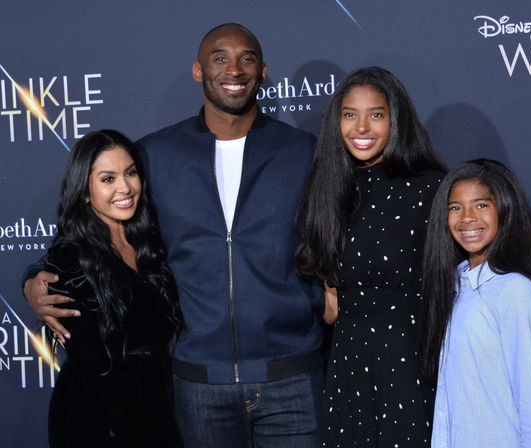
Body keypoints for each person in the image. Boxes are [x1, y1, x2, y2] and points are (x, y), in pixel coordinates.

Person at [24, 23, 324, 448]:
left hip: (292, 377)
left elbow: (341, 236)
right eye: (220, 57)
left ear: (262, 71)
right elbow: (96, 229)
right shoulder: (154, 154)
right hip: (198, 386)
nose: (234, 68)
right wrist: (36, 276)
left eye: (247, 58)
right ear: (199, 71)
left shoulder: (304, 151)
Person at [296, 66, 446, 447]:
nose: (361, 128)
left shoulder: (432, 189)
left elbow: (473, 268)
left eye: (376, 114)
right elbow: (330, 301)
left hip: (413, 365)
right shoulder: (328, 191)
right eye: (350, 115)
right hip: (348, 367)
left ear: (397, 120)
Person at [420, 159, 531, 447]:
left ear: (504, 209)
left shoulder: (515, 291)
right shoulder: (454, 285)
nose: (467, 217)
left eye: (481, 205)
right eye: (455, 207)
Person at [44, 130, 182, 447]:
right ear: (85, 192)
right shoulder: (71, 257)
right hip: (99, 421)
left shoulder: (150, 243)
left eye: (130, 173)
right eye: (108, 179)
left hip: (158, 408)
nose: (125, 187)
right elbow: (93, 364)